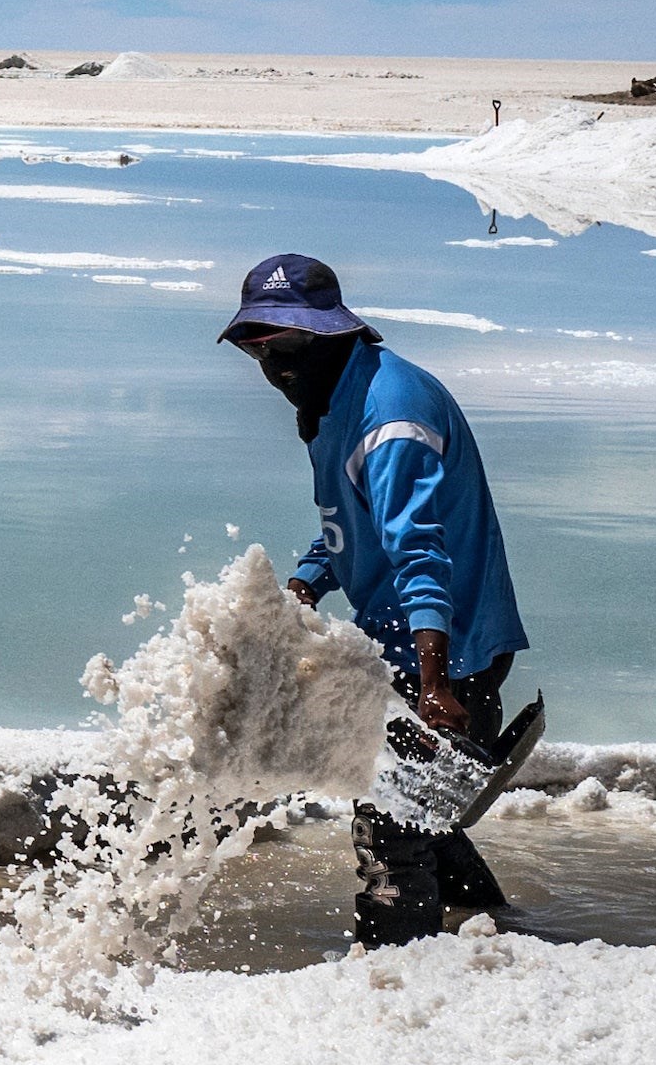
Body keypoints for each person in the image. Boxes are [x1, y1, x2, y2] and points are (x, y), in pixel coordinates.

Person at [217, 250, 535, 946]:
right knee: (425, 812)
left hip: (451, 653)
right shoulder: (337, 404)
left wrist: (433, 683)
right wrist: (306, 580)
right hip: (404, 648)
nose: (277, 365)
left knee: (388, 830)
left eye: (291, 343)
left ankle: (394, 977)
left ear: (335, 332)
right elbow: (351, 519)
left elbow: (419, 547)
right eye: (257, 347)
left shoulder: (391, 415)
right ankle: (502, 930)